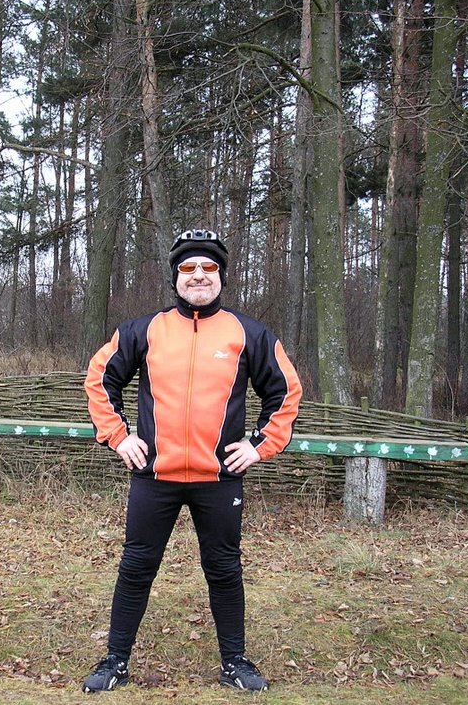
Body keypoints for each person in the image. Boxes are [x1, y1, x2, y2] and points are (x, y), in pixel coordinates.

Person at [82, 228, 302, 693]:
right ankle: (115, 662)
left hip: (218, 478)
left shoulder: (249, 333)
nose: (198, 274)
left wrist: (259, 445)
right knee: (136, 567)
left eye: (208, 266)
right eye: (187, 267)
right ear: (175, 277)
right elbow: (100, 379)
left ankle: (234, 663)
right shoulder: (144, 330)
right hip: (155, 476)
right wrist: (119, 436)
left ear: (221, 275)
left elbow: (285, 392)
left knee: (224, 570)